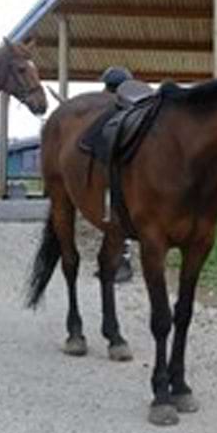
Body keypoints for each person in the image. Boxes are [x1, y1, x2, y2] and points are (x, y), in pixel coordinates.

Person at [100, 65, 135, 283]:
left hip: (121, 171)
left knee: (116, 213)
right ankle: (120, 259)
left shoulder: (112, 111)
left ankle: (124, 261)